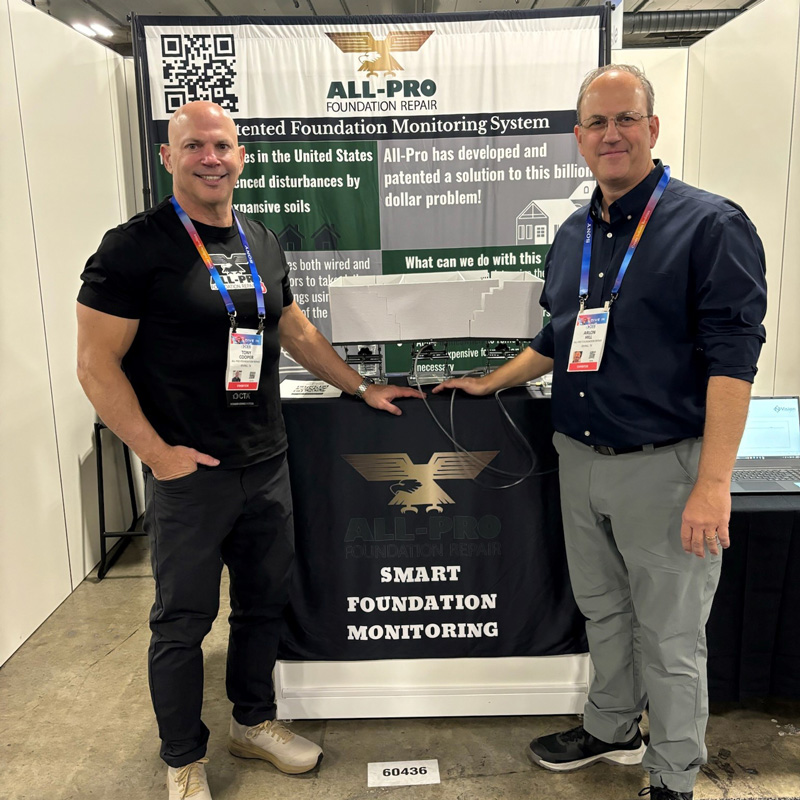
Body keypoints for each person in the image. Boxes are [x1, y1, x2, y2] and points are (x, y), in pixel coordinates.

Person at [434, 64, 767, 800]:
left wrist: (713, 484)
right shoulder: (575, 233)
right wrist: (490, 381)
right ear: (578, 138)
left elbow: (733, 363)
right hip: (578, 459)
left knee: (672, 639)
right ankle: (612, 725)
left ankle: (674, 778)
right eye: (596, 123)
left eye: (625, 119)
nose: (610, 134)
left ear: (652, 128)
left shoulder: (710, 225)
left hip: (666, 469)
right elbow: (559, 338)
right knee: (604, 609)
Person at [76, 100, 422, 800]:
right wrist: (156, 452)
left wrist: (360, 388)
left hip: (264, 461)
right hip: (191, 474)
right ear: (168, 158)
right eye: (195, 145)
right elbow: (94, 364)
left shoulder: (260, 239)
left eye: (224, 145)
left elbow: (292, 329)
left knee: (263, 605)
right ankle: (183, 758)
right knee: (183, 621)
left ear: (242, 157)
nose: (212, 157)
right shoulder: (133, 247)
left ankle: (253, 721)